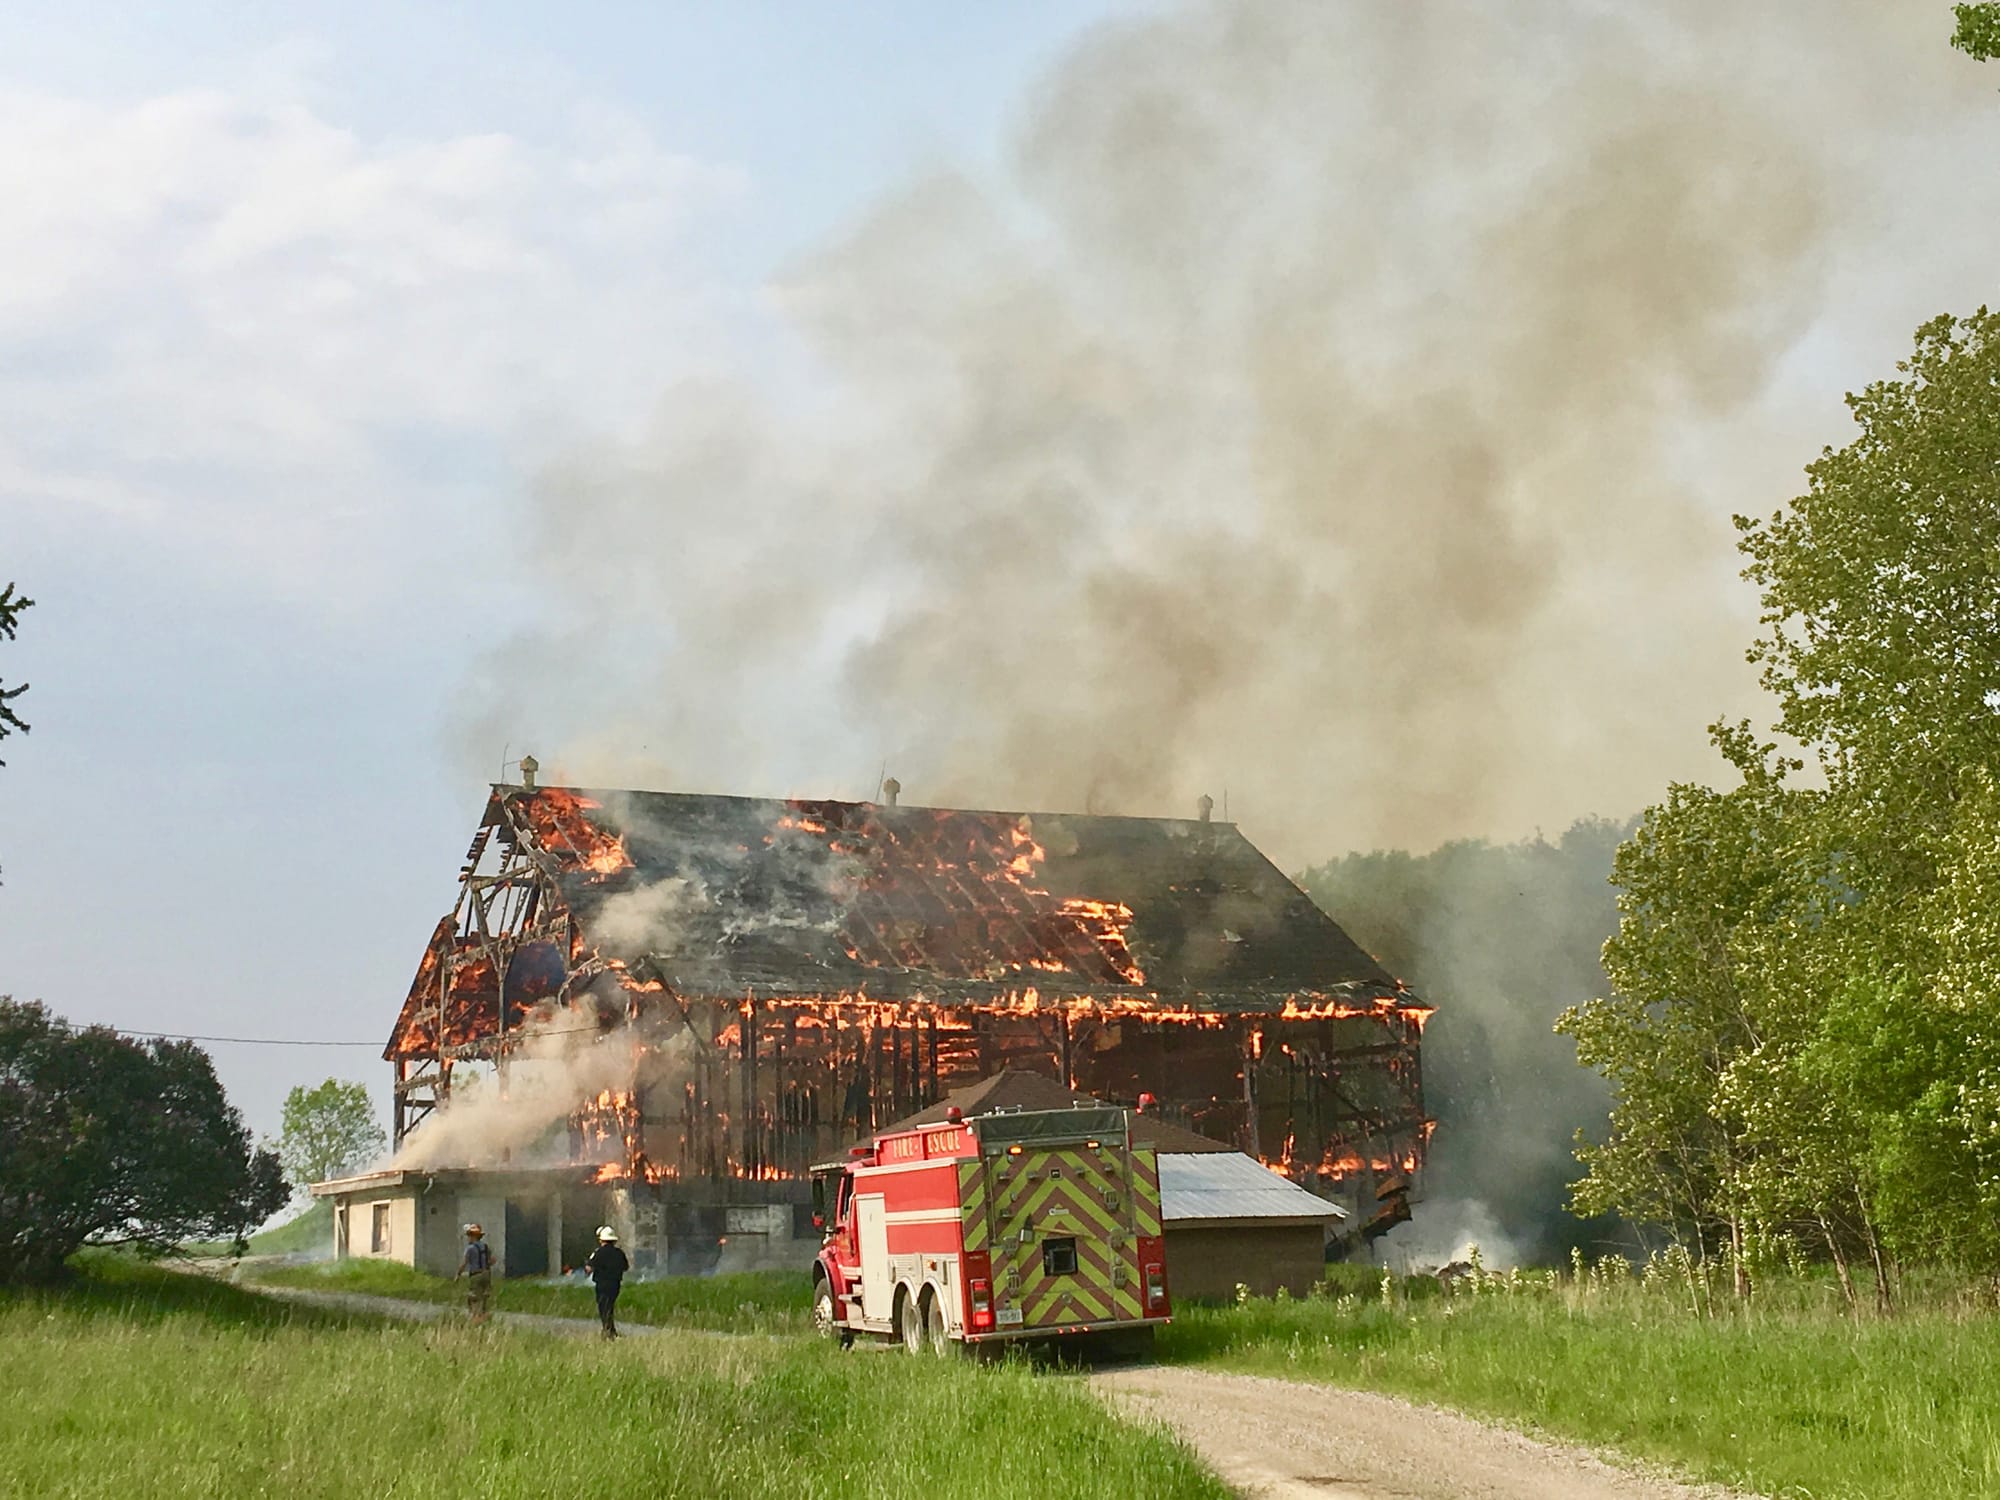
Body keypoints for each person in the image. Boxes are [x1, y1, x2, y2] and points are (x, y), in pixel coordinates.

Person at [585, 1225, 629, 1339]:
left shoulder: (598, 1252)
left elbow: (589, 1268)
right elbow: (625, 1267)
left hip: (602, 1285)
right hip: (615, 1285)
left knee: (603, 1307)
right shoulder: (619, 1253)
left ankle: (607, 1330)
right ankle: (611, 1330)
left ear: (601, 1240)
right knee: (610, 1306)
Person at [454, 1222, 494, 1323]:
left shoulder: (470, 1248)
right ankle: (484, 1315)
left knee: (473, 1298)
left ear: (473, 1236)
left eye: (469, 1235)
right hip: (486, 1274)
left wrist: (458, 1274)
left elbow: (464, 1263)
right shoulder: (485, 1247)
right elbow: (492, 1260)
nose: (468, 1237)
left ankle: (476, 1318)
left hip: (476, 1275)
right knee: (484, 1296)